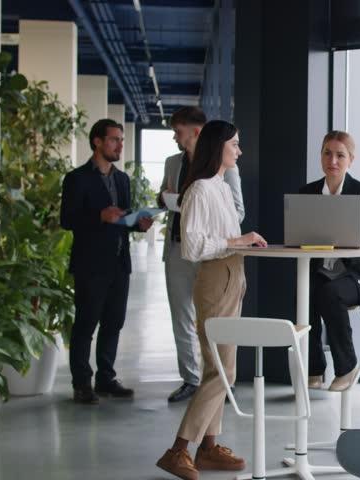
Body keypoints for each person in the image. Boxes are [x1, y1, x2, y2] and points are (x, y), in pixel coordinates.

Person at [156, 120, 267, 480]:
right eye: (234, 144)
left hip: (233, 276)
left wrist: (241, 244)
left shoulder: (219, 186)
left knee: (218, 368)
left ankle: (208, 447)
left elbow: (222, 237)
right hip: (216, 278)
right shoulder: (201, 189)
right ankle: (178, 450)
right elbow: (192, 247)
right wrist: (238, 241)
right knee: (223, 371)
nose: (239, 150)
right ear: (217, 146)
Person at [60, 119, 154, 405]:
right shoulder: (76, 178)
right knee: (86, 324)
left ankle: (106, 378)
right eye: (114, 139)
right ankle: (81, 384)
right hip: (90, 263)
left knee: (114, 322)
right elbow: (67, 220)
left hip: (119, 262)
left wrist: (137, 225)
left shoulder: (122, 179)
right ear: (97, 142)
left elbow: (121, 220)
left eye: (122, 140)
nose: (120, 145)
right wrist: (98, 217)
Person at [158, 106, 246, 403]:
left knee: (215, 326)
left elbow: (236, 210)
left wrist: (185, 204)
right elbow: (165, 196)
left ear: (197, 132)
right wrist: (171, 199)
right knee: (181, 315)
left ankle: (218, 382)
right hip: (179, 247)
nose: (175, 138)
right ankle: (191, 379)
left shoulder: (224, 171)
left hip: (216, 256)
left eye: (179, 132)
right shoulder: (175, 164)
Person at [300, 131, 360, 391]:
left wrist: (356, 248)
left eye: (340, 155)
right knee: (305, 294)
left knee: (329, 293)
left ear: (350, 160)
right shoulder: (306, 194)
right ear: (321, 156)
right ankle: (314, 369)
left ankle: (346, 368)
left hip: (358, 275)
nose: (333, 160)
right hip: (321, 271)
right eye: (327, 153)